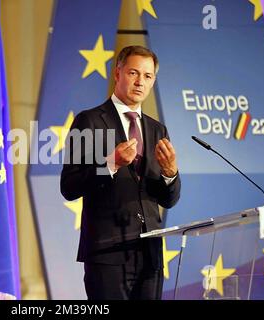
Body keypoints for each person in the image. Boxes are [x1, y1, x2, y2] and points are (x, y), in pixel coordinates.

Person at [60, 45, 181, 300]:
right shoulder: (90, 121)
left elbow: (167, 199)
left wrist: (171, 174)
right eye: (133, 73)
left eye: (147, 76)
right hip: (107, 254)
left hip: (150, 256)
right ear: (118, 73)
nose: (140, 82)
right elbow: (69, 187)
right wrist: (111, 163)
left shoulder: (157, 130)